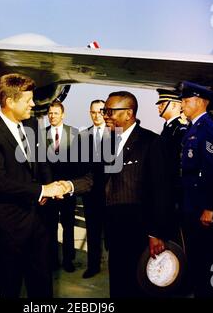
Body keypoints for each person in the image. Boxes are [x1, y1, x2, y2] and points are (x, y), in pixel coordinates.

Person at [0, 73, 71, 298]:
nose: (33, 104)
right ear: (10, 102)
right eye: (27, 100)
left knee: (43, 287)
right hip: (9, 227)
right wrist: (41, 190)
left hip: (40, 222)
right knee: (10, 288)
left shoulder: (33, 125)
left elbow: (43, 162)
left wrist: (51, 186)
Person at [102, 91, 171, 297]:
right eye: (105, 111)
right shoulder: (108, 142)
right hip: (114, 228)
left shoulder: (152, 142)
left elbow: (161, 190)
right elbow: (97, 180)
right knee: (118, 282)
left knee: (139, 286)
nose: (106, 115)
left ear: (128, 113)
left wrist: (155, 233)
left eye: (110, 111)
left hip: (139, 230)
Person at [180, 81, 213, 297]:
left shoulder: (208, 129)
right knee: (195, 255)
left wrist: (209, 207)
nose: (182, 105)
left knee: (207, 257)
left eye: (186, 101)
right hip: (191, 203)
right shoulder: (193, 128)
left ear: (200, 102)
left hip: (201, 207)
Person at [43, 101, 79, 272]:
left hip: (66, 190)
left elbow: (77, 164)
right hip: (50, 190)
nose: (52, 116)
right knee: (50, 227)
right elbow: (40, 164)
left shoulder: (74, 134)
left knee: (68, 226)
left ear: (62, 115)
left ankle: (68, 260)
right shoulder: (41, 135)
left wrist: (66, 187)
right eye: (50, 113)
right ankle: (51, 260)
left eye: (56, 113)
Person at [155, 89, 188, 242]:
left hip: (174, 192)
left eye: (162, 103)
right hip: (167, 190)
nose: (159, 107)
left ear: (175, 106)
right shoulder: (168, 128)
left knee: (177, 236)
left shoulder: (180, 130)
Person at [80, 99, 108, 278]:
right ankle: (93, 265)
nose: (96, 115)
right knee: (92, 232)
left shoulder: (116, 133)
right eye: (93, 112)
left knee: (113, 233)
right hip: (91, 194)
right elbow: (80, 166)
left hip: (112, 194)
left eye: (100, 111)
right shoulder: (83, 136)